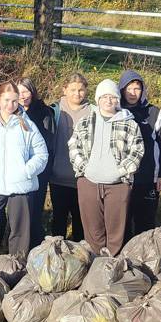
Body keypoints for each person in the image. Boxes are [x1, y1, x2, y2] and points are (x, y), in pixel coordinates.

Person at [0, 83, 48, 262]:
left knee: (19, 231)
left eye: (15, 101)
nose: (11, 105)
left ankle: (17, 268)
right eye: (7, 100)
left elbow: (42, 154)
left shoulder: (27, 125)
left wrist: (26, 171)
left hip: (21, 186)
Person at [69, 79, 144, 256]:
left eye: (112, 97)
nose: (108, 101)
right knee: (93, 229)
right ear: (97, 99)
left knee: (115, 229)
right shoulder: (85, 121)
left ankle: (112, 262)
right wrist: (84, 168)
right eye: (104, 97)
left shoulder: (129, 123)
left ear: (118, 99)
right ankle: (95, 262)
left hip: (118, 184)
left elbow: (137, 151)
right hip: (89, 182)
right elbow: (74, 145)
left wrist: (121, 171)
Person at [118, 70, 161, 238]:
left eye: (137, 89)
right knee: (122, 224)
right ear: (121, 90)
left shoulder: (154, 112)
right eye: (129, 89)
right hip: (121, 179)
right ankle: (123, 261)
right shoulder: (115, 112)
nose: (133, 93)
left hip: (149, 179)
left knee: (146, 224)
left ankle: (145, 260)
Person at [48, 73, 91, 240]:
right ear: (64, 89)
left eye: (81, 90)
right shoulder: (54, 110)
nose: (77, 93)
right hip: (58, 177)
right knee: (59, 220)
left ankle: (80, 258)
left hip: (83, 178)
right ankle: (57, 256)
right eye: (72, 89)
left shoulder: (93, 111)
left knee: (81, 221)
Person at [14, 77, 55, 248]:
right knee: (20, 211)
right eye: (19, 92)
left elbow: (48, 142)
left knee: (34, 210)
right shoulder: (13, 111)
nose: (22, 96)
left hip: (38, 170)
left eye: (26, 91)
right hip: (16, 170)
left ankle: (34, 245)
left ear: (32, 92)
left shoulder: (44, 112)